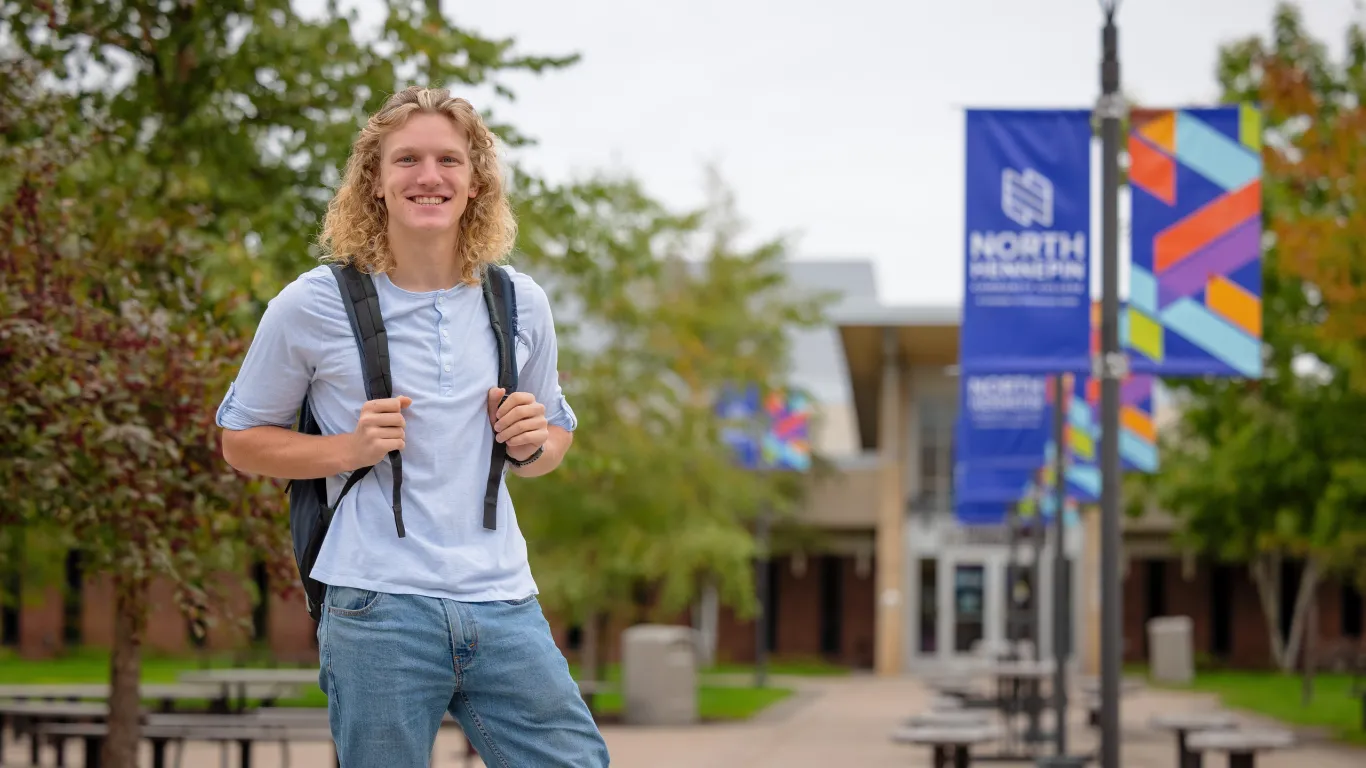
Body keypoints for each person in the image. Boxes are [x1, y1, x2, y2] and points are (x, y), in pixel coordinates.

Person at [215, 86, 610, 767]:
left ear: (476, 179)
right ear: (374, 180)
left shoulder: (521, 301)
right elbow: (241, 440)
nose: (430, 176)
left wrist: (533, 441)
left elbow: (554, 439)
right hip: (377, 603)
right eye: (407, 160)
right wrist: (345, 448)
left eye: (449, 160)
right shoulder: (311, 304)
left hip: (503, 598)